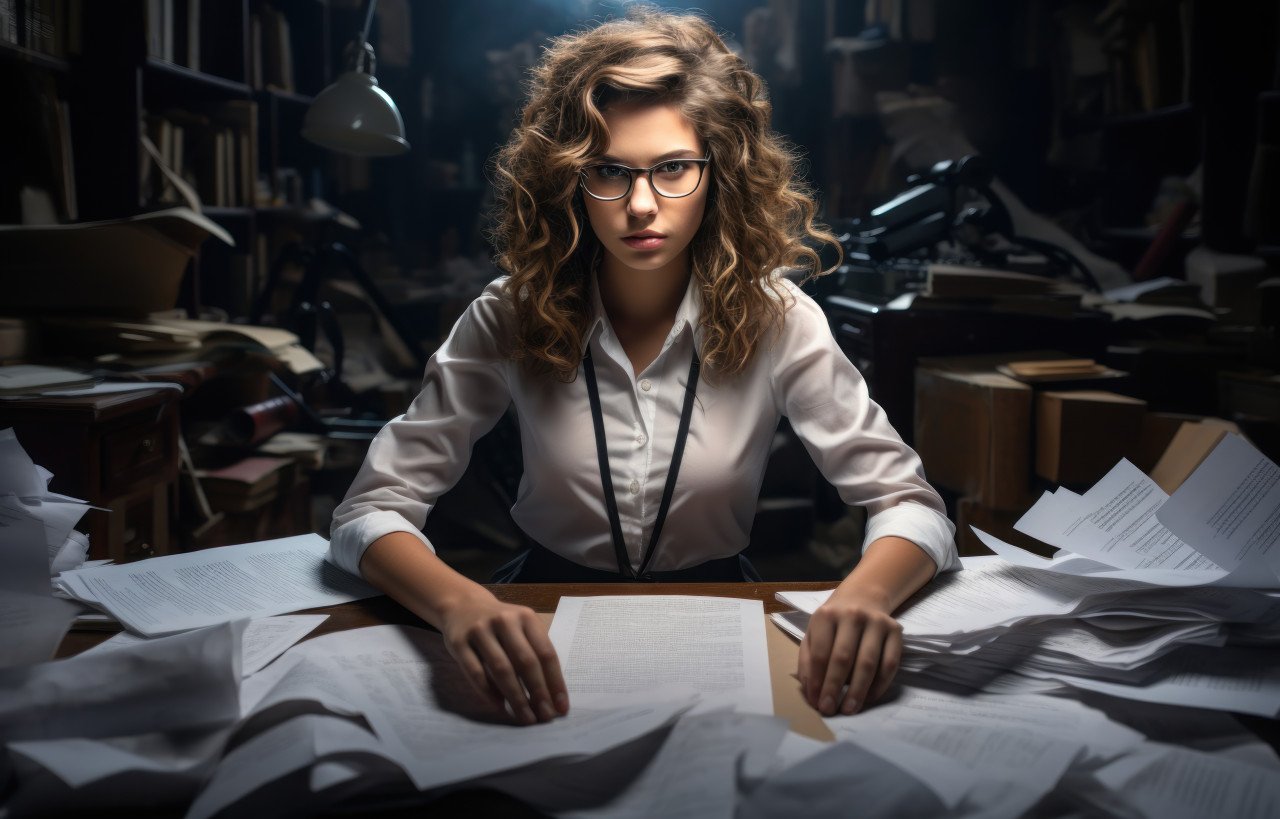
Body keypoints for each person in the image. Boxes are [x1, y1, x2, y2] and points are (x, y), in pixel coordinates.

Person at [329, 5, 957, 728]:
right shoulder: (509, 312)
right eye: (607, 172)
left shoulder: (777, 317)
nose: (640, 205)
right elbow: (369, 509)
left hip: (721, 615)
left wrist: (865, 594)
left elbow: (911, 503)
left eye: (673, 169)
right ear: (568, 178)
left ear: (719, 172)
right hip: (540, 614)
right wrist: (457, 600)